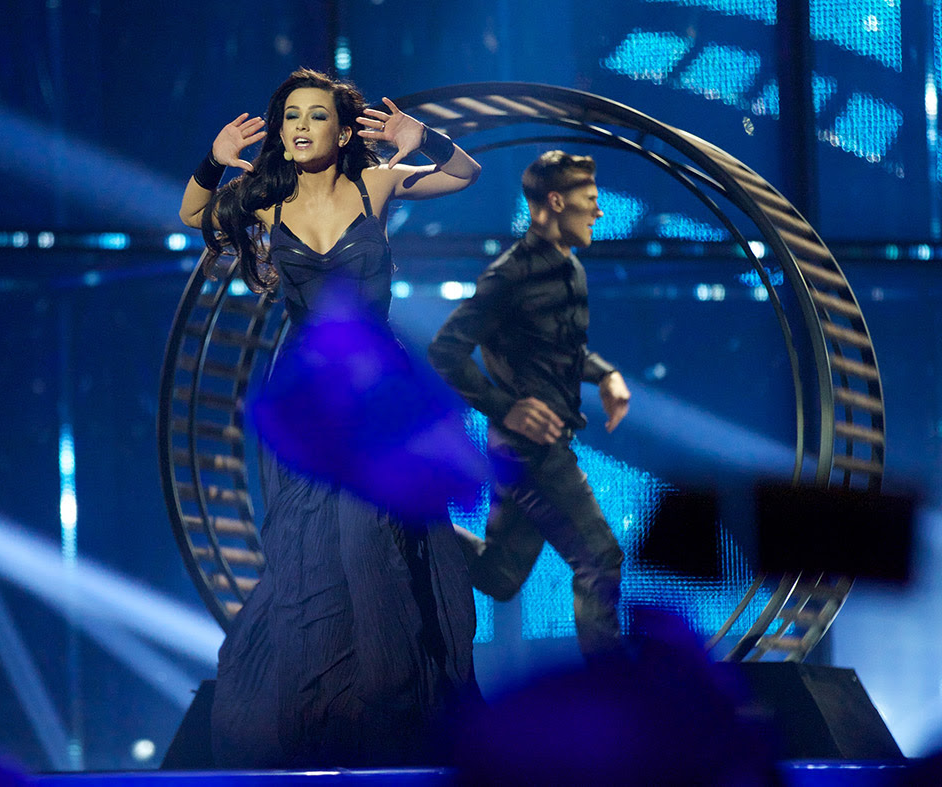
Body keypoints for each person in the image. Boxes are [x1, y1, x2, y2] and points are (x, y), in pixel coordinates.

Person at [179, 68, 482, 768]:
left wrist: (423, 137)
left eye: (316, 116)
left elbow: (465, 173)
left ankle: (396, 717)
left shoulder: (375, 185)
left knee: (368, 543)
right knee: (314, 564)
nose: (301, 127)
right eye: (291, 117)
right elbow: (193, 215)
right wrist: (211, 158)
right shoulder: (263, 202)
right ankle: (328, 731)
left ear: (343, 131)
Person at [427, 150, 631, 659]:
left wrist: (605, 374)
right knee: (600, 559)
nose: (599, 212)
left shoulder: (571, 269)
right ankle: (614, 708)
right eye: (590, 201)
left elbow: (565, 348)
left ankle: (414, 518)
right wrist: (505, 406)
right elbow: (445, 350)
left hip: (533, 446)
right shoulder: (509, 276)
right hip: (527, 450)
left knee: (500, 574)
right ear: (556, 202)